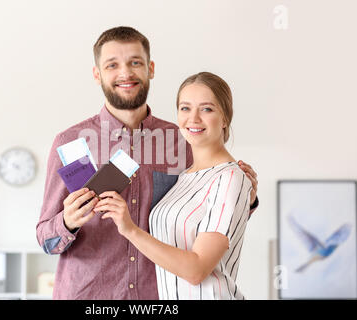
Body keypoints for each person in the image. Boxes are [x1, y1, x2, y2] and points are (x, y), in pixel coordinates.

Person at [36, 26, 259, 300]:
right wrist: (67, 222)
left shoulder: (182, 141)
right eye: (112, 65)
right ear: (97, 74)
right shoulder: (69, 143)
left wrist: (246, 200)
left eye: (135, 63)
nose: (125, 73)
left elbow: (206, 213)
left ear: (150, 69)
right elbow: (46, 240)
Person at [94, 72, 252, 300]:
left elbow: (196, 270)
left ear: (225, 117)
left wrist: (129, 229)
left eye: (207, 109)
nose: (193, 119)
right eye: (185, 108)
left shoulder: (229, 177)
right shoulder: (184, 176)